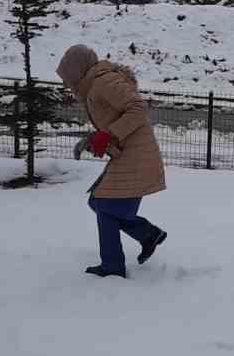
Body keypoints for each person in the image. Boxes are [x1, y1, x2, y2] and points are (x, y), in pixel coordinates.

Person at [56, 44, 167, 278]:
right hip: (127, 152)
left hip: (136, 153)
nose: (67, 85)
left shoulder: (104, 81)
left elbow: (137, 108)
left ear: (78, 71)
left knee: (105, 206)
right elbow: (112, 122)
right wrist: (90, 140)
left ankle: (114, 265)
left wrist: (109, 134)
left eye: (68, 78)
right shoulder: (94, 85)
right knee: (99, 204)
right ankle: (147, 234)